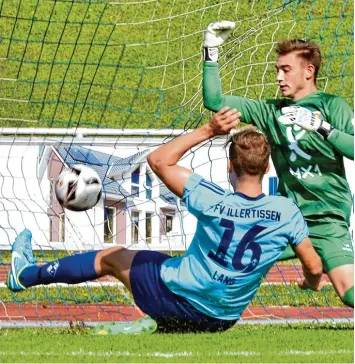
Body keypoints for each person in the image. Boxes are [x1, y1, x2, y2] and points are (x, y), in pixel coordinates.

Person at [7, 108, 324, 334]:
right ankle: (161, 325)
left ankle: (24, 275)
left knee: (112, 258)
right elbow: (313, 267)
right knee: (165, 263)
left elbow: (158, 160)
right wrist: (309, 285)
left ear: (230, 164)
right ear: (267, 168)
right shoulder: (286, 212)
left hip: (176, 300)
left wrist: (209, 130)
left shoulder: (210, 198)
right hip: (223, 319)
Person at [202, 21, 354, 308]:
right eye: (277, 70)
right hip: (284, 218)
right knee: (224, 261)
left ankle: (314, 272)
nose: (279, 77)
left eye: (286, 70)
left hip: (327, 218)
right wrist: (211, 50)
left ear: (308, 71)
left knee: (349, 294)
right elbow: (215, 101)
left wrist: (321, 128)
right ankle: (186, 311)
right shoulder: (271, 110)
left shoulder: (333, 106)